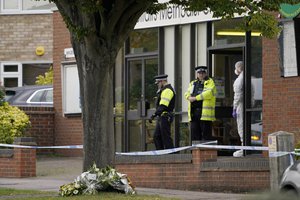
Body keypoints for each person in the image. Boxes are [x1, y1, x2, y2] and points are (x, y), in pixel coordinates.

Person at [185, 66, 216, 142]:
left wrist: (195, 98)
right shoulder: (193, 83)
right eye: (199, 73)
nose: (201, 75)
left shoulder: (210, 82)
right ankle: (195, 153)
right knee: (195, 135)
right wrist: (188, 97)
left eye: (203, 73)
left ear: (205, 73)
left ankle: (207, 152)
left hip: (205, 114)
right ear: (197, 74)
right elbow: (186, 93)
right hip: (194, 113)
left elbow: (208, 93)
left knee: (206, 135)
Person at [232, 61, 255, 157]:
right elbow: (252, 93)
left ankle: (243, 148)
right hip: (247, 105)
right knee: (246, 127)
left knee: (241, 127)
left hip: (241, 106)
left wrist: (234, 107)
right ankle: (246, 147)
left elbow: (237, 95)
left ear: (238, 68)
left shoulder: (239, 80)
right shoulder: (249, 78)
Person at [149, 74, 175, 150]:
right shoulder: (163, 90)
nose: (158, 85)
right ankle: (161, 154)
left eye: (158, 83)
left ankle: (170, 155)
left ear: (162, 81)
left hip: (165, 116)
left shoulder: (167, 90)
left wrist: (154, 114)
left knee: (165, 137)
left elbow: (163, 105)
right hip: (162, 117)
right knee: (157, 137)